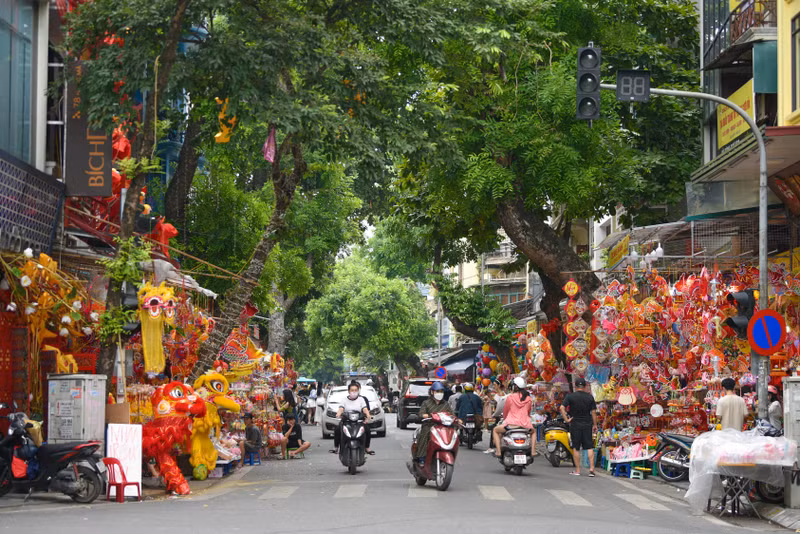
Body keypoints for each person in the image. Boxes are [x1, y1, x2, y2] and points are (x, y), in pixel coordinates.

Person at [560, 377, 598, 476]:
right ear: (585, 386)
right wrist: (595, 425)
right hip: (587, 424)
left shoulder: (570, 396)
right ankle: (591, 469)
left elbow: (561, 407)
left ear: (575, 386)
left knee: (576, 447)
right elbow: (593, 412)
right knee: (589, 446)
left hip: (575, 423)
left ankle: (577, 470)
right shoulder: (590, 397)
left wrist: (566, 419)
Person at [492, 377, 534, 458]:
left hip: (511, 425)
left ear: (514, 387)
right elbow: (528, 412)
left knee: (495, 430)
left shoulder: (510, 397)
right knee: (534, 432)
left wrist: (505, 419)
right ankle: (533, 451)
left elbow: (506, 411)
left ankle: (498, 451)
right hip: (525, 425)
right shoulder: (528, 398)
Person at [413, 381, 452, 466]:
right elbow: (421, 413)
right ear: (432, 392)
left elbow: (451, 414)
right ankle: (422, 457)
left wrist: (457, 419)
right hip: (429, 425)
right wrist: (424, 415)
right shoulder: (426, 403)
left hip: (443, 426)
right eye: (437, 391)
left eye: (441, 391)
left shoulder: (446, 404)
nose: (439, 393)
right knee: (425, 434)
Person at [330, 381, 374, 455]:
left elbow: (365, 409)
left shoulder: (361, 399)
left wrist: (368, 415)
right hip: (346, 421)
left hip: (359, 421)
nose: (354, 392)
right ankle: (336, 447)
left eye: (355, 390)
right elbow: (341, 408)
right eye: (352, 390)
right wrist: (338, 414)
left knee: (367, 430)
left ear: (358, 391)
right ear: (348, 391)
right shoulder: (344, 399)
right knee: (337, 429)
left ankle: (367, 447)